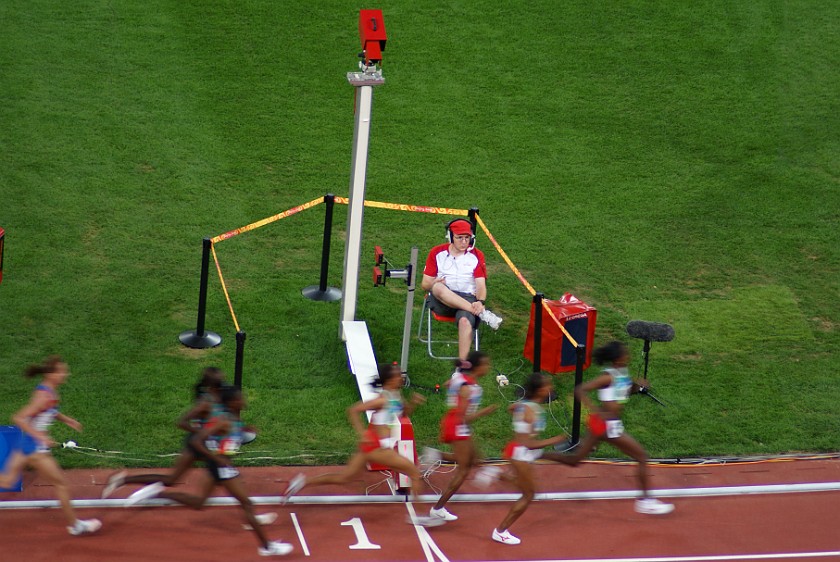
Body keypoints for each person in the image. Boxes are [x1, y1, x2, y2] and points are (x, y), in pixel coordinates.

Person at [124, 385, 293, 557]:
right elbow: (198, 440)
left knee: (198, 503)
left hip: (221, 467)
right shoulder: (224, 420)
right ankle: (267, 547)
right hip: (221, 468)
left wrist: (243, 431)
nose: (244, 400)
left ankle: (157, 493)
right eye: (240, 397)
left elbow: (228, 438)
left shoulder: (232, 419)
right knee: (246, 504)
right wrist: (217, 458)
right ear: (233, 402)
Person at [282, 362, 443, 527]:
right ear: (388, 380)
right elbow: (353, 410)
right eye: (397, 376)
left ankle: (301, 482)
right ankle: (422, 515)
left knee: (344, 478)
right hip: (378, 447)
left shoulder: (396, 395)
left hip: (374, 447)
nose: (401, 378)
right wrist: (362, 434)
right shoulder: (381, 399)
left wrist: (413, 403)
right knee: (414, 473)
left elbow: (402, 414)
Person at [554, 340, 675, 515]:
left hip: (603, 425)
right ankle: (645, 501)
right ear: (617, 358)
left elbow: (624, 390)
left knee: (576, 461)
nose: (628, 355)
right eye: (625, 353)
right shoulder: (608, 376)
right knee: (641, 456)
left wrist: (638, 387)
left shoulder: (622, 372)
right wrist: (594, 410)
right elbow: (580, 389)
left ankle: (540, 454)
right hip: (607, 425)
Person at [0, 356, 102, 536]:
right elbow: (19, 418)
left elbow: (50, 411)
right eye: (62, 371)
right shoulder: (44, 396)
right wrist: (40, 436)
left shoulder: (48, 391)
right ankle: (75, 526)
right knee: (61, 484)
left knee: (7, 480)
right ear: (50, 374)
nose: (66, 374)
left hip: (26, 444)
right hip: (34, 449)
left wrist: (67, 420)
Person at [491, 372, 570, 545]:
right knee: (528, 494)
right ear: (540, 390)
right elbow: (527, 443)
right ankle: (500, 531)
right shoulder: (530, 411)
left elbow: (510, 408)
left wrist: (520, 417)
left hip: (516, 451)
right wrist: (555, 440)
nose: (551, 388)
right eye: (547, 385)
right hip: (521, 454)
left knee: (525, 486)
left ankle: (499, 475)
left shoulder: (526, 405)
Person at [423, 351, 500, 522]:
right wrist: (483, 412)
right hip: (458, 425)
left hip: (454, 423)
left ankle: (436, 455)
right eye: (486, 364)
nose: (488, 367)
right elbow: (464, 417)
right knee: (464, 469)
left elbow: (447, 383)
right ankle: (438, 508)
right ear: (478, 367)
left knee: (472, 458)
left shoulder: (460, 378)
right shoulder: (469, 388)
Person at [421, 217, 502, 360]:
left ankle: (462, 368)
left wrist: (480, 302)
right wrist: (433, 282)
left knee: (465, 321)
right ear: (450, 237)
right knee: (438, 287)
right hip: (442, 300)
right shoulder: (436, 253)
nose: (464, 242)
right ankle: (482, 314)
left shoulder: (477, 255)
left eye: (467, 238)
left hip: (468, 298)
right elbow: (425, 284)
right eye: (459, 238)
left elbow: (481, 284)